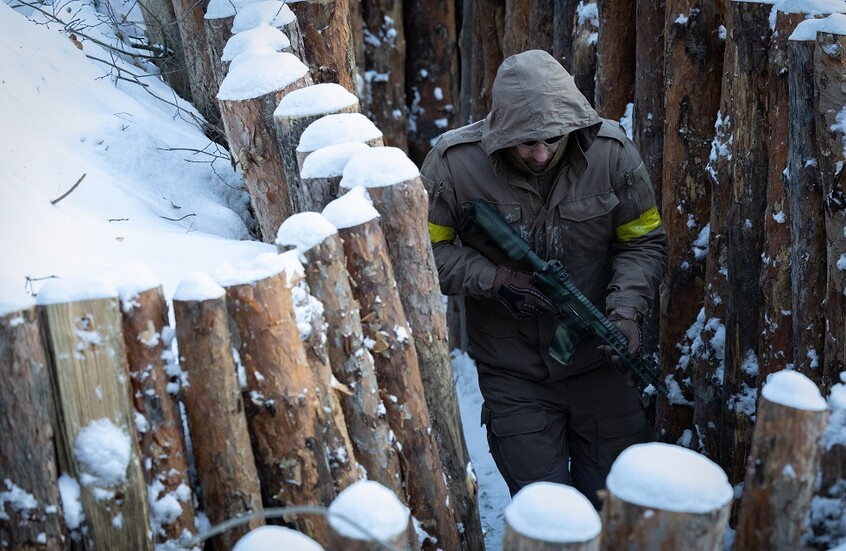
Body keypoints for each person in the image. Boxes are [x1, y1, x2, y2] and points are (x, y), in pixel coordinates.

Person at [421, 49, 667, 509]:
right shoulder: (455, 164)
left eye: (553, 139)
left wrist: (626, 312)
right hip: (513, 373)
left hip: (600, 367)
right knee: (547, 511)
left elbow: (644, 241)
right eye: (526, 142)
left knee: (611, 503)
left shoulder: (612, 154)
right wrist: (493, 279)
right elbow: (421, 252)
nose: (541, 154)